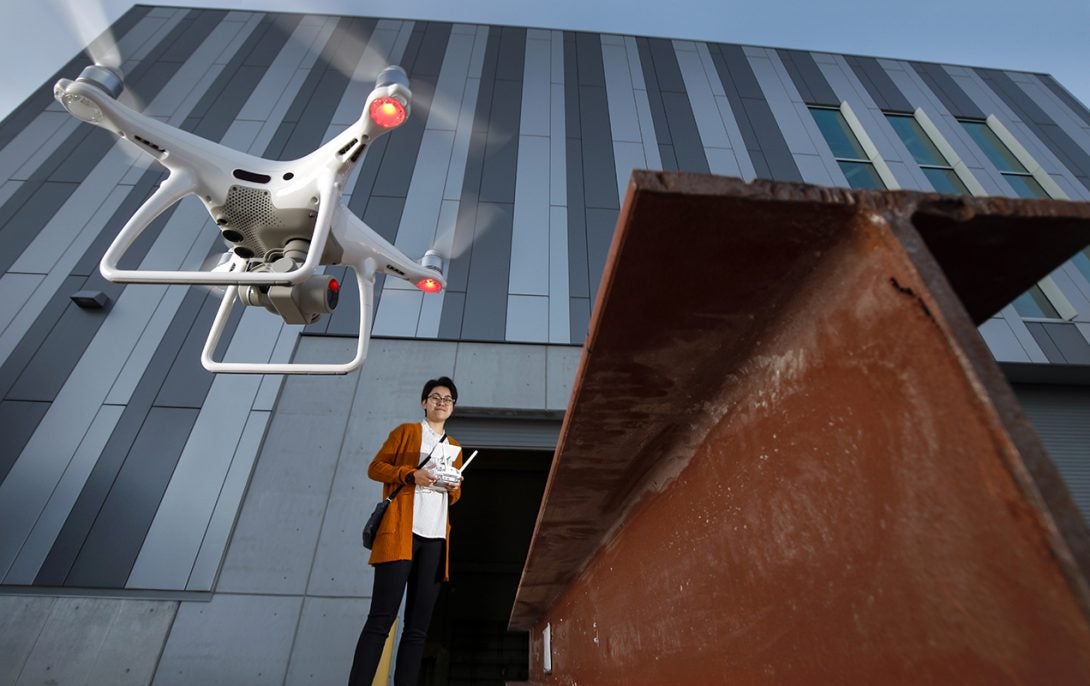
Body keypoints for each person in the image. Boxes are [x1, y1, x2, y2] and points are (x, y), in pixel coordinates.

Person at [349, 376, 464, 686]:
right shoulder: (406, 432)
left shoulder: (454, 448)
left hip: (436, 540)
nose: (442, 402)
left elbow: (453, 496)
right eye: (436, 397)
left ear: (452, 408)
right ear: (424, 402)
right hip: (401, 533)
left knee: (417, 629)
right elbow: (375, 467)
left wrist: (453, 486)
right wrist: (411, 474)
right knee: (381, 620)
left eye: (448, 399)